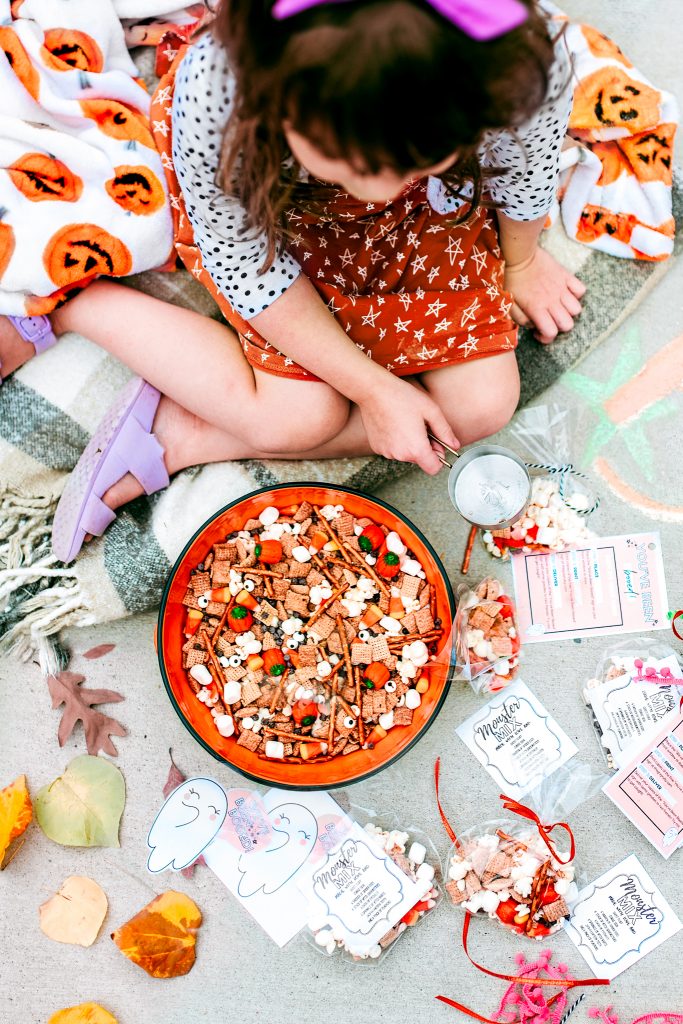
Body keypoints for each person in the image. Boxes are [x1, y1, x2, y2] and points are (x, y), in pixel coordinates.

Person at [1, 0, 586, 562]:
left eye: (413, 158)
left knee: (482, 407)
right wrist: (374, 390)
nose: (377, 189)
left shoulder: (513, 64)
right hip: (282, 211)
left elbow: (524, 176)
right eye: (350, 160)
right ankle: (75, 306)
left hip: (430, 211)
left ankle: (199, 434)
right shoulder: (222, 88)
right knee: (303, 417)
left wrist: (523, 263)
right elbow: (245, 264)